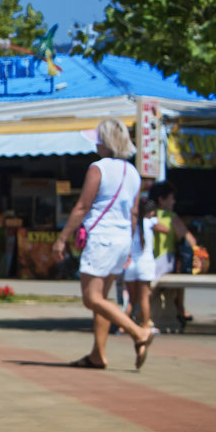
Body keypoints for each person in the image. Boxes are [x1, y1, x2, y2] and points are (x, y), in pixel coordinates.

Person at [53, 118, 156, 370]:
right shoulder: (132, 172)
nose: (95, 146)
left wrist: (62, 238)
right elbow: (134, 214)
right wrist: (130, 246)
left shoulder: (97, 168)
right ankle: (98, 355)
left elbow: (83, 206)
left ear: (106, 143)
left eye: (98, 141)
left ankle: (138, 332)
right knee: (103, 298)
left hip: (102, 238)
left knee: (91, 298)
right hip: (122, 239)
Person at [148, 181, 197, 324]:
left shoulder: (145, 216)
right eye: (171, 198)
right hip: (163, 265)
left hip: (144, 264)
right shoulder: (170, 217)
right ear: (161, 200)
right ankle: (180, 308)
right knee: (180, 273)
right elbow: (190, 240)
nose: (174, 201)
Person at [123, 199, 159, 332]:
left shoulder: (130, 224)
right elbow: (165, 229)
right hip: (145, 264)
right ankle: (145, 325)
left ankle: (123, 326)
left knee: (131, 299)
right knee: (144, 297)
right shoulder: (151, 222)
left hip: (130, 265)